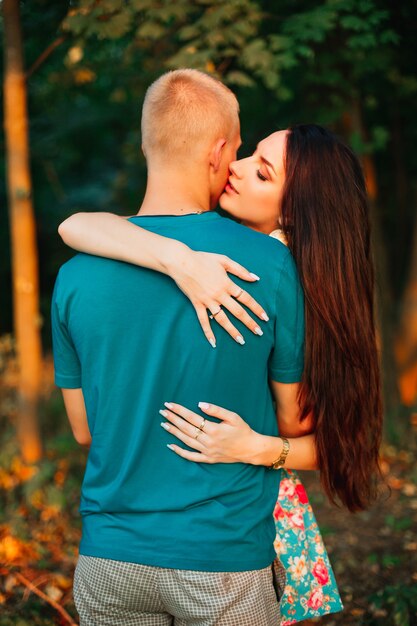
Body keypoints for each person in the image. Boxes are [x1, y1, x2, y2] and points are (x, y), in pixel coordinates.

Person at [59, 118, 382, 624]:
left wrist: (256, 447)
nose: (236, 167)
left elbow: (323, 435)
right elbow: (74, 225)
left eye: (262, 172)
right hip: (213, 535)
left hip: (234, 512)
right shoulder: (218, 251)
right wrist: (178, 259)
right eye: (250, 154)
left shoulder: (288, 275)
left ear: (294, 210)